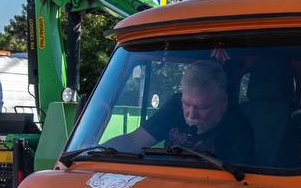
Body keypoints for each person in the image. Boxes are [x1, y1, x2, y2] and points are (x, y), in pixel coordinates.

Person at [108, 60, 254, 161]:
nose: (191, 114)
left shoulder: (238, 128)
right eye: (186, 104)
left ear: (223, 103)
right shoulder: (175, 105)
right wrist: (95, 153)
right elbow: (134, 141)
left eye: (202, 107)